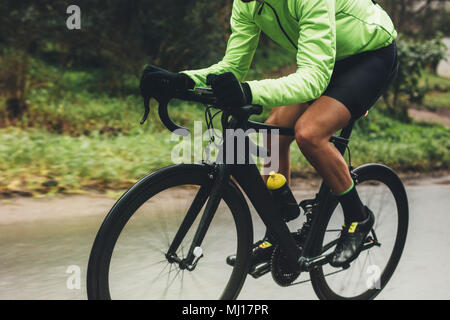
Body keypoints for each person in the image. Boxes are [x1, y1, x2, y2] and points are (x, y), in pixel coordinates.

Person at [140, 0, 399, 270]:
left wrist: (248, 91)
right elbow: (233, 67)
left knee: (310, 133)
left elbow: (313, 79)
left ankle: (358, 218)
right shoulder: (246, 3)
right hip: (327, 56)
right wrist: (183, 81)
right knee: (274, 131)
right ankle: (278, 232)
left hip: (370, 55)